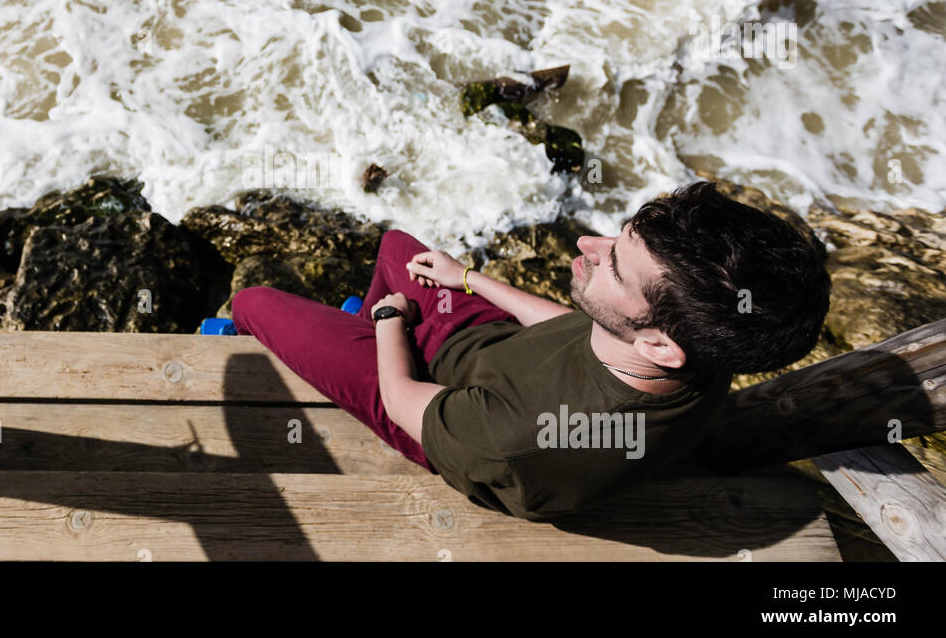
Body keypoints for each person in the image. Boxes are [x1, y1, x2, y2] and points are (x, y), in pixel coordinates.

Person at [230, 181, 832, 519]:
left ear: (657, 342)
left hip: (439, 406)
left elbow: (402, 395)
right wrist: (468, 279)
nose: (586, 244)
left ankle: (359, 329)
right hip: (487, 351)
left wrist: (390, 323)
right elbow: (575, 329)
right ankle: (364, 323)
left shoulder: (520, 436)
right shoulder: (702, 350)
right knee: (397, 247)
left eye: (612, 264)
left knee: (254, 302)